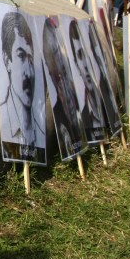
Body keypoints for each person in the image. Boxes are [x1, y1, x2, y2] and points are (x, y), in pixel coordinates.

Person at [0, 12, 44, 160]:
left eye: (31, 58)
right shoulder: (2, 124)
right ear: (7, 61)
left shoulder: (41, 134)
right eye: (21, 56)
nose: (28, 72)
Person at [42, 17, 85, 159]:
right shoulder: (57, 111)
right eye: (54, 54)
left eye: (59, 52)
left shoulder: (78, 96)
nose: (60, 60)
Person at [67, 19, 105, 143]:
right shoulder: (81, 118)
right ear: (76, 65)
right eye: (80, 56)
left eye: (87, 54)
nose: (85, 63)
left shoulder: (107, 105)